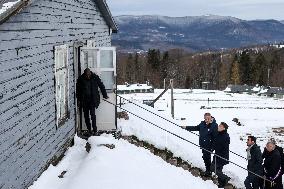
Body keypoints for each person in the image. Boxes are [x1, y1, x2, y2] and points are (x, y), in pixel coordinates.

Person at [76, 68, 108, 136]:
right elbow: (78, 91)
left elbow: (101, 86)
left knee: (93, 115)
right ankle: (89, 130)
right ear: (84, 74)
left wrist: (105, 95)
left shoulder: (95, 77)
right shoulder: (81, 79)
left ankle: (95, 130)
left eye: (89, 75)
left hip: (93, 100)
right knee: (86, 116)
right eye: (86, 75)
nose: (88, 76)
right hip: (84, 100)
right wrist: (78, 100)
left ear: (90, 73)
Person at [210, 122, 231, 188]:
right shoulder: (219, 134)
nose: (218, 127)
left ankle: (226, 178)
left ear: (224, 128)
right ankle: (222, 185)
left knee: (212, 168)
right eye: (219, 125)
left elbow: (221, 146)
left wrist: (214, 149)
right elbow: (215, 143)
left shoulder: (226, 136)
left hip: (221, 157)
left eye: (220, 126)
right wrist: (212, 149)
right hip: (218, 155)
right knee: (219, 170)